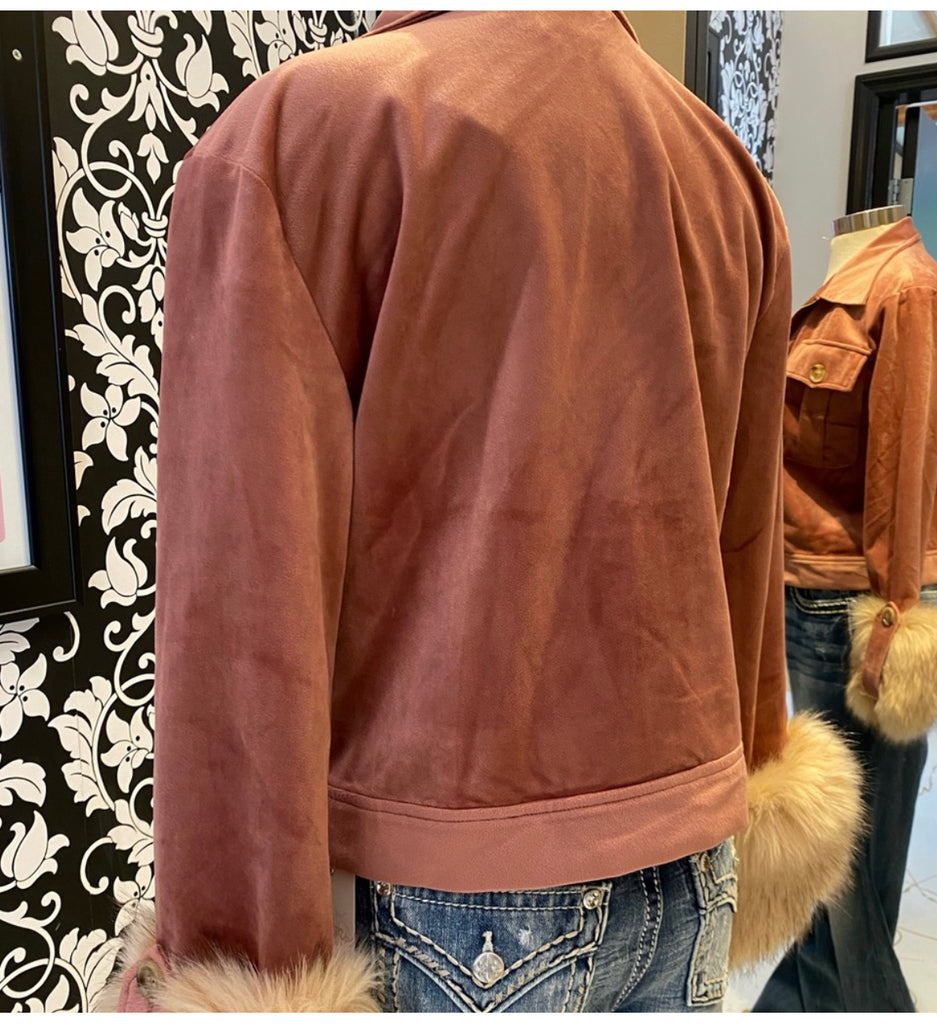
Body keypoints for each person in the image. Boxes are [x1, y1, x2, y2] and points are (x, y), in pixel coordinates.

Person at [100, 11, 862, 1013]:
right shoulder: (723, 172)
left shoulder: (305, 134)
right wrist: (754, 750)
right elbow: (744, 543)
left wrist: (236, 955)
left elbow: (242, 595)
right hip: (694, 853)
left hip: (450, 897)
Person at [754, 208, 937, 1012]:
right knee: (831, 848)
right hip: (812, 598)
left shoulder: (906, 290)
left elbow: (904, 468)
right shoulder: (836, 293)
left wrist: (892, 616)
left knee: (852, 871)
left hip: (861, 606)